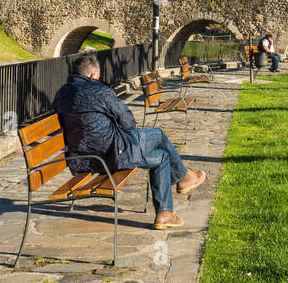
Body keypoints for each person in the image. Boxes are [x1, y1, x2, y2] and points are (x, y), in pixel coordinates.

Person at [52, 54, 206, 230]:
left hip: (84, 160)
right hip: (111, 154)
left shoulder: (62, 93)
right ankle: (184, 177)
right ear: (93, 75)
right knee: (159, 135)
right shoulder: (99, 90)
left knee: (162, 157)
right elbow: (128, 123)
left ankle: (165, 213)